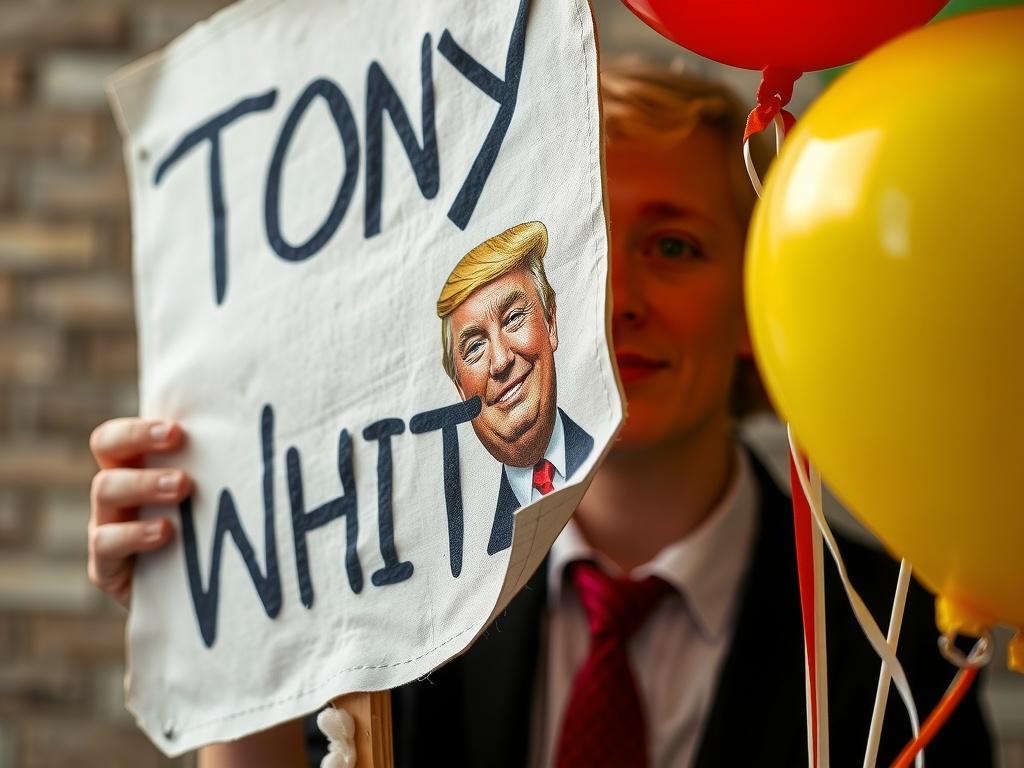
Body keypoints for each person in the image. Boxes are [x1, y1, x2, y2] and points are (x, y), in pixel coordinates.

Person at [87, 65, 993, 767]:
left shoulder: (902, 640)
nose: (615, 299)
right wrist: (244, 625)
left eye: (673, 246)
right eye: (581, 248)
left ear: (765, 290)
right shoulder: (395, 585)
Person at [436, 220, 594, 555]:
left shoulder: (615, 459)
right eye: (475, 346)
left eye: (513, 318)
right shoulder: (477, 558)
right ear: (460, 389)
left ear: (550, 322)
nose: (502, 360)